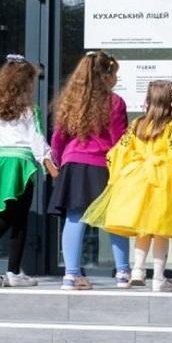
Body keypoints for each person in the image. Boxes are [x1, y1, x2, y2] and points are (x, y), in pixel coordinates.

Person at [82, 80, 172, 292]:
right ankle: (158, 278)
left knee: (143, 228)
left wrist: (119, 176)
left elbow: (118, 151)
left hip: (137, 180)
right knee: (161, 230)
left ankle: (138, 270)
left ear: (147, 101)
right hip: (162, 182)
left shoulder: (137, 124)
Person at [0, 54, 59, 287]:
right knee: (12, 217)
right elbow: (36, 139)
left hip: (1, 163)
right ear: (25, 83)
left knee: (15, 216)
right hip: (20, 164)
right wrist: (49, 163)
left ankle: (13, 271)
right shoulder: (29, 109)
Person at [48, 51, 132, 290]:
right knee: (114, 219)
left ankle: (71, 275)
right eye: (114, 74)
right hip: (102, 164)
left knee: (75, 218)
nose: (116, 79)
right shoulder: (114, 102)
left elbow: (58, 137)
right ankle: (123, 272)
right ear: (105, 75)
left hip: (73, 164)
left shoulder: (70, 100)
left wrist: (57, 160)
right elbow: (119, 140)